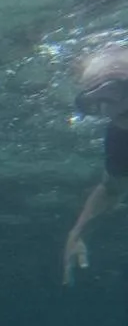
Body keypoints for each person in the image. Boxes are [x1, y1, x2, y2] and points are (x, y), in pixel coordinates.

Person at [63, 43, 128, 285]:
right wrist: (78, 232)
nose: (110, 108)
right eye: (95, 101)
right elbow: (112, 189)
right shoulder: (120, 138)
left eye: (116, 89)